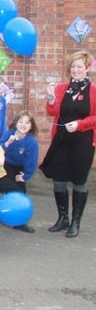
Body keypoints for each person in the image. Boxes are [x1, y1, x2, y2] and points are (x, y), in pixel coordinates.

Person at [40, 49, 96, 237]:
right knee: (59, 180)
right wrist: (50, 98)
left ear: (87, 68)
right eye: (73, 66)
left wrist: (79, 124)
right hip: (62, 139)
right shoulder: (62, 88)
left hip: (83, 141)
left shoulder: (94, 90)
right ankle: (62, 218)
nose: (76, 69)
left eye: (79, 66)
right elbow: (52, 112)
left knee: (79, 182)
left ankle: (75, 223)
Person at [2, 110, 39, 193]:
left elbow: (31, 161)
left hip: (20, 166)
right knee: (8, 189)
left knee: (20, 191)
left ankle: (21, 204)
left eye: (27, 123)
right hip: (6, 164)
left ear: (31, 126)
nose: (23, 125)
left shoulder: (31, 141)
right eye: (20, 122)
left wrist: (25, 176)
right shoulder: (8, 134)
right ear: (16, 123)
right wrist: (7, 143)